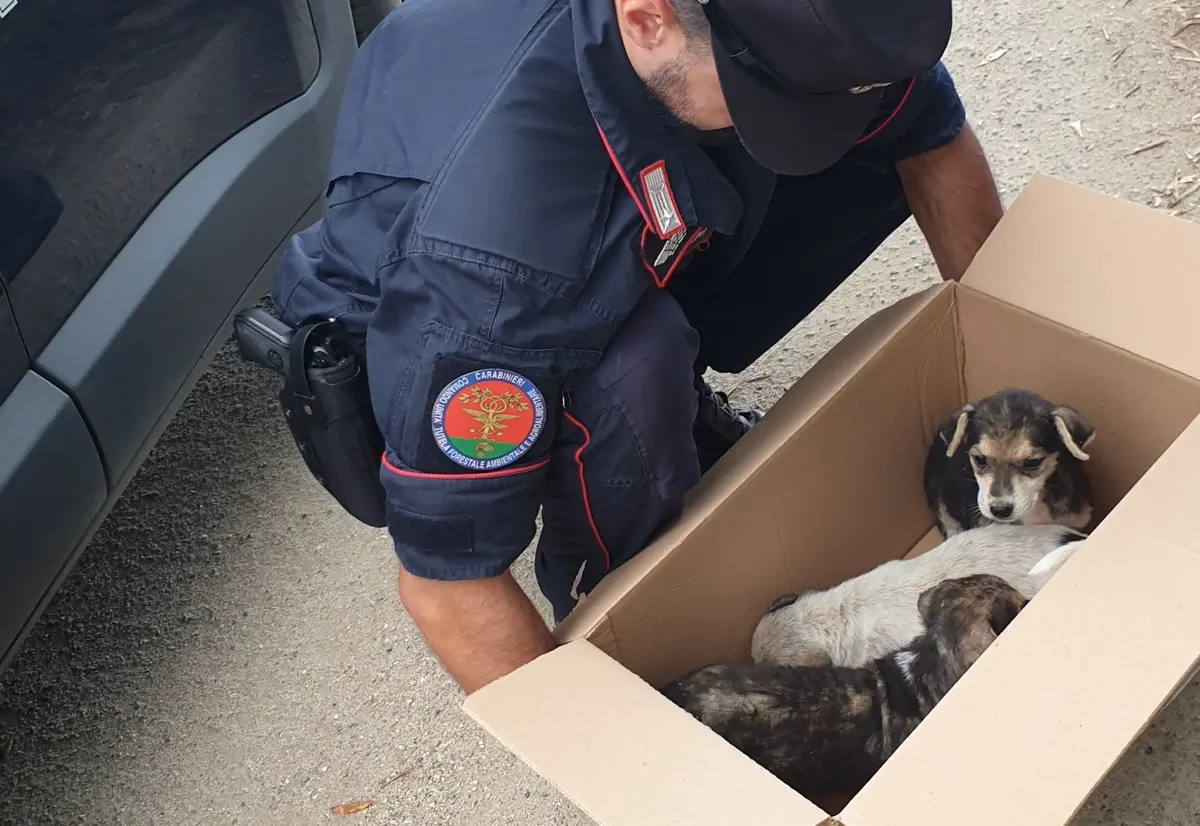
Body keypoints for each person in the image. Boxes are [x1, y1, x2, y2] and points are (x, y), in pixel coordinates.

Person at [269, 0, 1005, 695]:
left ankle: (681, 373)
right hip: (427, 308)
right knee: (633, 380)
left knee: (851, 149)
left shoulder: (773, 30)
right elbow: (446, 583)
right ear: (647, 17)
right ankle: (620, 592)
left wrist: (1009, 366)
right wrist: (628, 767)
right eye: (774, 97)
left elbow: (926, 131)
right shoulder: (492, 269)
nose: (811, 119)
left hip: (611, 166)